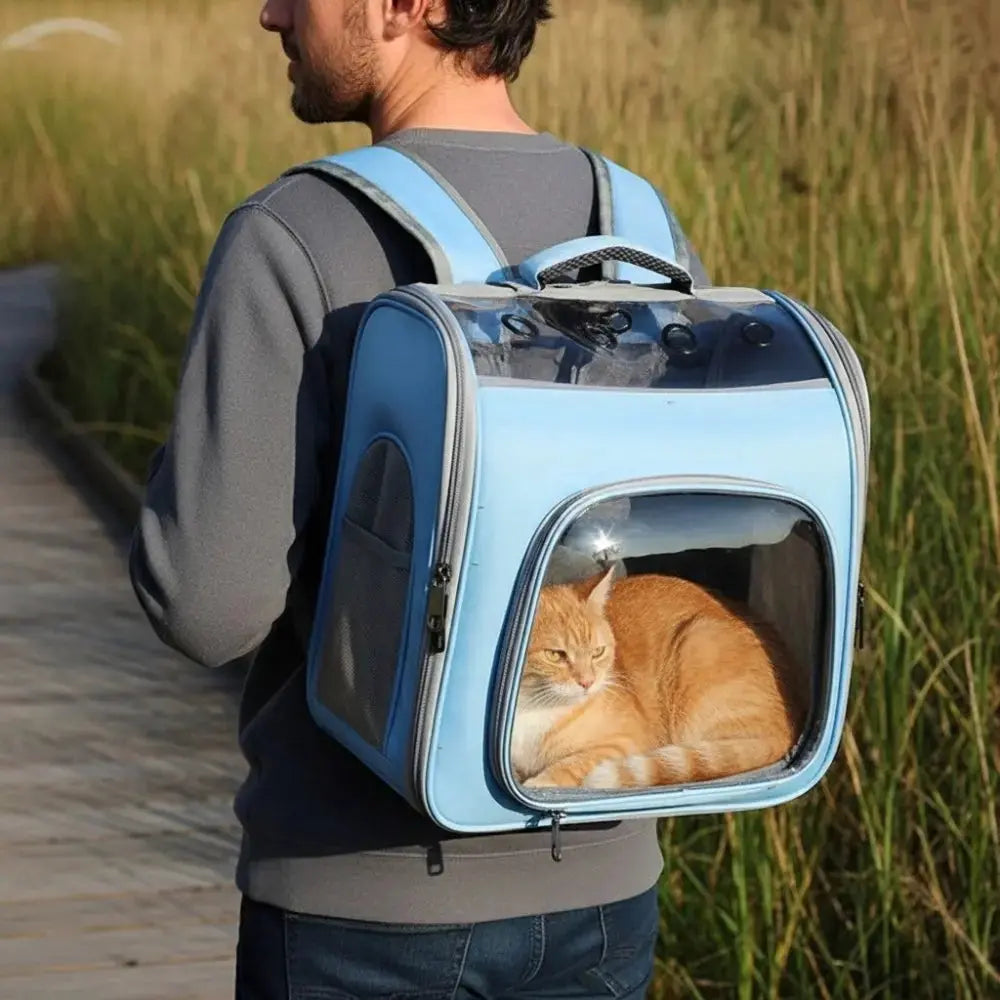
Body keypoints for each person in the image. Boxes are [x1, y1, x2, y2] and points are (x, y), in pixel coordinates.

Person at [129, 1, 708, 996]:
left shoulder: (295, 232)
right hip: (603, 888)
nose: (269, 14)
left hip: (361, 906)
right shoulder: (640, 223)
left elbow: (207, 606)